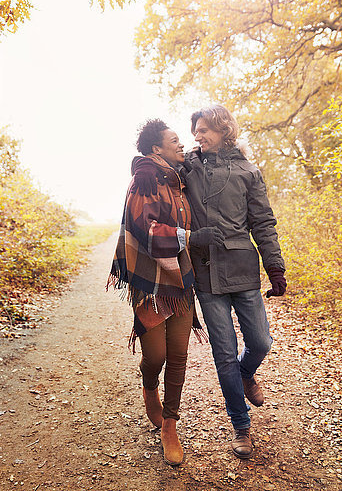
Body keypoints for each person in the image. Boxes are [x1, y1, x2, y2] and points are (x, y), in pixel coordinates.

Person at [132, 105, 287, 459]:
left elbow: (263, 223)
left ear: (224, 130)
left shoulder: (250, 172)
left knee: (261, 342)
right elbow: (153, 167)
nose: (197, 137)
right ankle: (241, 427)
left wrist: (275, 267)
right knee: (223, 354)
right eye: (195, 131)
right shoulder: (189, 168)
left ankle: (248, 373)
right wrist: (140, 164)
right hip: (205, 275)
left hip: (244, 270)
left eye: (204, 130)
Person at [107, 119, 224, 466]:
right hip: (151, 280)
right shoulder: (144, 179)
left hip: (181, 278)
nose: (182, 145)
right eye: (175, 140)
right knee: (155, 356)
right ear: (156, 148)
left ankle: (170, 425)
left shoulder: (178, 181)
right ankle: (148, 386)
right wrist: (190, 237)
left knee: (178, 356)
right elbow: (145, 227)